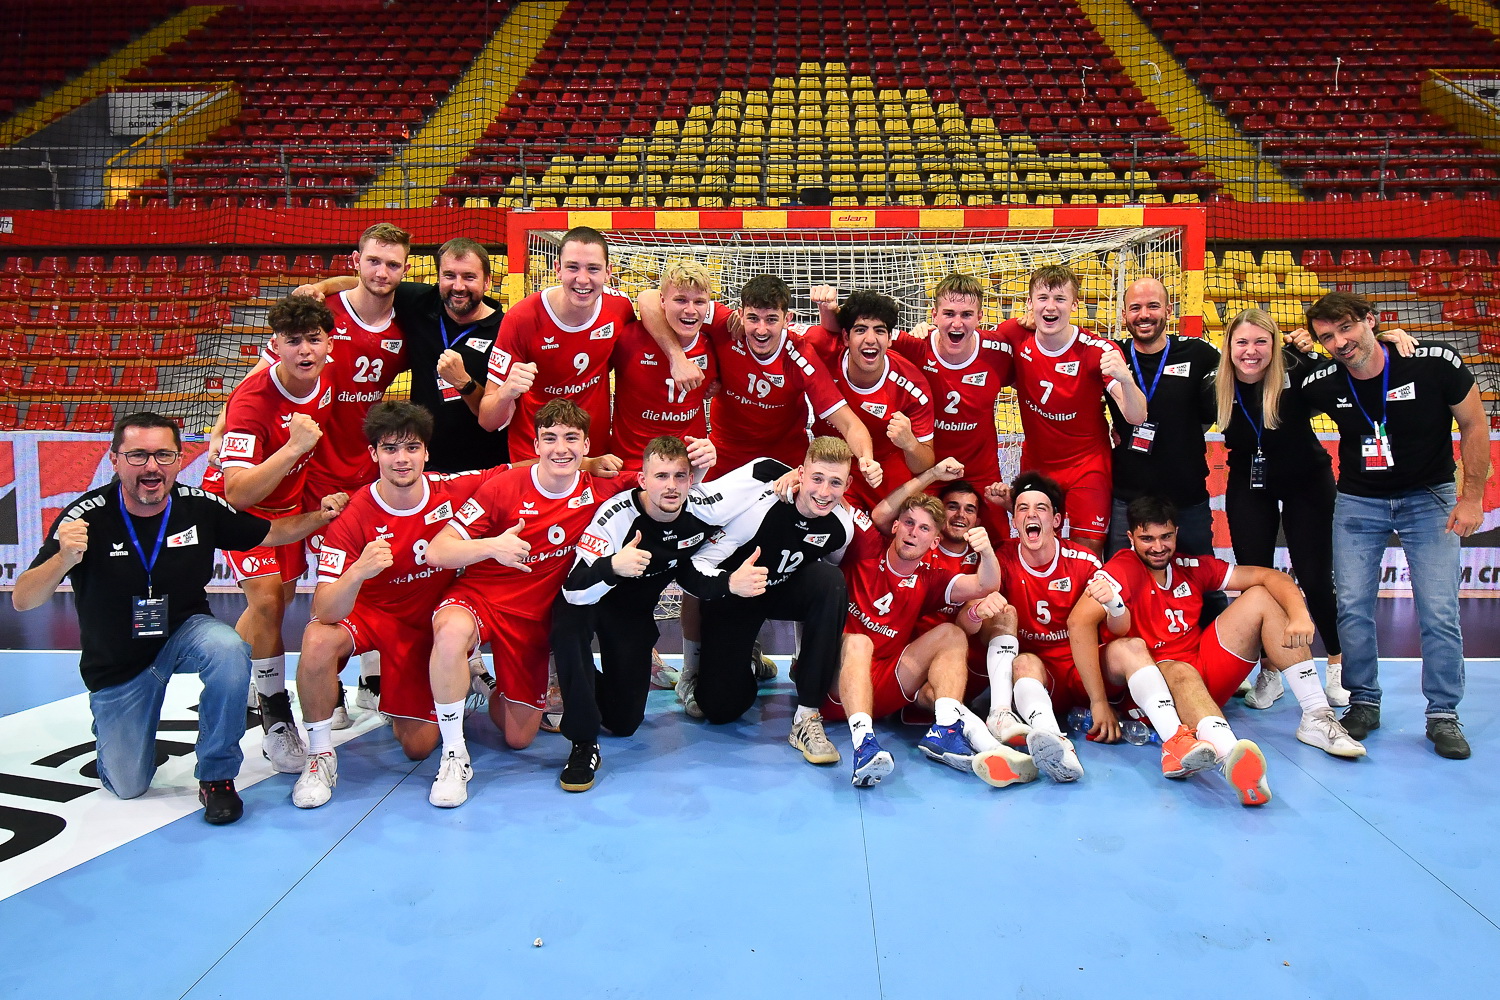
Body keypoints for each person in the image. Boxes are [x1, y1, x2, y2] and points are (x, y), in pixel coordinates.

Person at [13, 413, 335, 824]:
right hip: (118, 661)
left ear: (180, 459)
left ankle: (217, 776)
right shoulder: (85, 517)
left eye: (163, 455)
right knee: (128, 786)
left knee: (229, 649)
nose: (152, 467)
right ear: (114, 459)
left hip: (184, 632)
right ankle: (120, 739)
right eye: (139, 456)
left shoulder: (198, 506)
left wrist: (320, 517)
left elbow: (271, 532)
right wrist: (62, 559)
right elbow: (24, 599)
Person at [1298, 291, 1490, 759]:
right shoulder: (1323, 380)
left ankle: (1443, 714)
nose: (1340, 342)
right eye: (1328, 337)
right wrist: (1293, 348)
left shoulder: (1432, 362)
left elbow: (1474, 424)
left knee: (1439, 611)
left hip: (1430, 501)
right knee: (1353, 608)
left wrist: (1471, 498)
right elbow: (1266, 389)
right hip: (1360, 503)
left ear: (1370, 321)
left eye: (1347, 328)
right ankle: (1363, 701)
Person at [1078, 496, 1365, 805]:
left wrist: (1298, 615)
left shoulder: (1192, 566)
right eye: (1147, 538)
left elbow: (1273, 577)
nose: (1158, 547)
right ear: (1131, 537)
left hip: (1202, 678)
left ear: (1177, 532)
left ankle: (1317, 716)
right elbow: (1079, 622)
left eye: (1166, 537)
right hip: (1156, 688)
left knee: (1259, 596)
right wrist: (1098, 702)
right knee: (1178, 668)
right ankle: (1231, 757)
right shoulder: (1121, 567)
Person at [290, 402, 507, 809]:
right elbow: (326, 608)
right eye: (390, 449)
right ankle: (319, 755)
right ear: (373, 454)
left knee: (417, 747)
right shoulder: (352, 515)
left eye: (411, 447)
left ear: (426, 452)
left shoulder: (452, 489)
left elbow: (518, 471)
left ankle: (434, 685)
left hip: (427, 622)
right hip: (371, 615)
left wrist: (591, 460)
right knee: (317, 639)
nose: (402, 458)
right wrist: (357, 572)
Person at [234, 222, 413, 711]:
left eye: (392, 263)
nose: (381, 271)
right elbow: (266, 370)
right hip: (312, 470)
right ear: (355, 261)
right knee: (283, 592)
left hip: (366, 468)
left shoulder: (408, 316)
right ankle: (274, 680)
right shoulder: (321, 315)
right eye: (372, 260)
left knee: (375, 572)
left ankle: (371, 679)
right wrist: (220, 431)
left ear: (405, 269)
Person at [422, 399, 602, 806]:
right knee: (450, 635)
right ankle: (454, 756)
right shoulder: (502, 487)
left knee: (519, 738)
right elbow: (438, 550)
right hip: (480, 597)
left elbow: (662, 484)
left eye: (571, 438)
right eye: (550, 438)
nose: (561, 448)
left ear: (586, 444)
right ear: (535, 444)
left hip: (530, 622)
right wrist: (492, 546)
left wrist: (698, 464)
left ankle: (483, 683)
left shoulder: (598, 488)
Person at [212, 295, 351, 774]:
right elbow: (237, 495)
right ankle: (274, 713)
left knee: (276, 604)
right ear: (276, 345)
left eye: (314, 340)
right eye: (293, 342)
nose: (305, 351)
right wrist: (293, 448)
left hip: (292, 506)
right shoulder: (253, 401)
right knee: (269, 601)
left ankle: (244, 672)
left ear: (329, 343)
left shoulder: (326, 374)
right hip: (244, 512)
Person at [823, 489, 1037, 788]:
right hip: (834, 686)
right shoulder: (867, 547)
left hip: (885, 685)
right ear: (895, 526)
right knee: (860, 642)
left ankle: (946, 731)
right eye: (909, 523)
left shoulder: (929, 578)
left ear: (934, 541)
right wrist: (795, 475)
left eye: (924, 528)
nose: (913, 533)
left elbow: (986, 583)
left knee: (951, 634)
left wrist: (987, 552)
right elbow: (832, 494)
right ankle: (864, 746)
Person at [551, 434, 722, 792]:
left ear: (692, 480)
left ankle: (563, 679)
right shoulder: (616, 516)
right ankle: (583, 744)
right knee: (569, 624)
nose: (671, 487)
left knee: (624, 721)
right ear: (643, 480)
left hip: (631, 615)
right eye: (661, 476)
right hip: (590, 600)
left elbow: (756, 486)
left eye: (679, 476)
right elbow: (574, 587)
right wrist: (613, 566)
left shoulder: (703, 512)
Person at [678, 437, 862, 765]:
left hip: (782, 591)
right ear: (801, 473)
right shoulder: (759, 507)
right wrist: (730, 582)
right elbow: (694, 566)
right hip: (736, 595)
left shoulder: (841, 527)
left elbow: (831, 563)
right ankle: (743, 662)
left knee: (830, 582)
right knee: (720, 710)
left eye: (835, 483)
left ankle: (807, 714)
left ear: (847, 484)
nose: (823, 493)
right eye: (817, 479)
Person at [1213, 308, 1345, 709]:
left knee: (1314, 576)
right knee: (1258, 580)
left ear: (1274, 343)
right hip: (1250, 485)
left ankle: (1337, 668)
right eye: (1242, 342)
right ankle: (1270, 673)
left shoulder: (1301, 369)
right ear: (1229, 347)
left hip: (1307, 481)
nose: (1251, 351)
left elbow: (1351, 366)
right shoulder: (1213, 385)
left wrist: (1389, 337)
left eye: (1260, 342)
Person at [296, 235, 503, 474]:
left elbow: (493, 418)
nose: (458, 286)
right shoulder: (421, 302)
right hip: (422, 462)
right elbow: (366, 283)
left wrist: (463, 382)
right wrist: (320, 288)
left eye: (469, 277)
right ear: (438, 278)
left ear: (487, 281)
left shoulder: (503, 332)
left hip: (483, 464)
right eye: (449, 276)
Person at [998, 265, 1147, 554]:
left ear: (1075, 304)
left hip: (1086, 466)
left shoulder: (1097, 350)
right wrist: (928, 333)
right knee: (1034, 546)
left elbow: (1137, 416)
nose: (1050, 307)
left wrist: (1126, 379)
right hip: (1038, 465)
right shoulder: (1013, 335)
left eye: (1060, 299)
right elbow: (969, 351)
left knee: (1087, 550)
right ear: (1030, 303)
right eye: (1042, 298)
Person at [1105, 277, 1224, 626]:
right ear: (1124, 314)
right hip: (1128, 495)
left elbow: (1243, 367)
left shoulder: (1199, 353)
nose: (1145, 315)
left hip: (1186, 497)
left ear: (1168, 311)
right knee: (1117, 586)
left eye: (1153, 306)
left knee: (1206, 583)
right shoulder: (1112, 354)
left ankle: (1220, 671)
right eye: (1136, 307)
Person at [886, 273, 1014, 526]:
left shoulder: (999, 351)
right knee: (914, 537)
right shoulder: (915, 346)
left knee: (997, 544)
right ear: (933, 315)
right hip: (928, 472)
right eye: (949, 314)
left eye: (966, 314)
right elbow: (861, 330)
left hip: (981, 473)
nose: (957, 323)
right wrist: (829, 308)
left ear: (980, 316)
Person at [804, 288, 937, 509]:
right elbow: (772, 332)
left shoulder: (913, 388)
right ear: (845, 337)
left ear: (890, 339)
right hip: (830, 470)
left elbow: (923, 463)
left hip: (883, 476)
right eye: (861, 330)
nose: (870, 339)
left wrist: (910, 444)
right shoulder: (821, 348)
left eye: (879, 331)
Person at [606, 261, 721, 487]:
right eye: (680, 300)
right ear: (662, 301)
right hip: (629, 469)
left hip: (686, 473)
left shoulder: (714, 345)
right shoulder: (628, 338)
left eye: (699, 302)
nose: (690, 310)